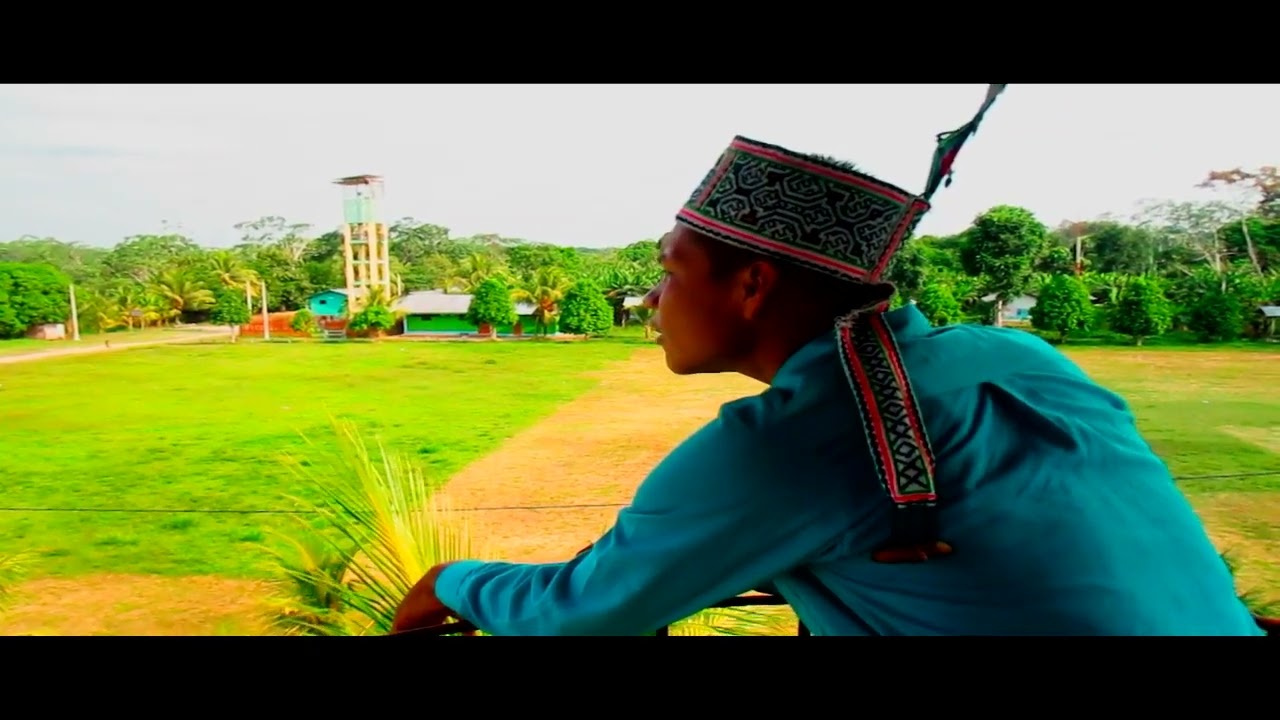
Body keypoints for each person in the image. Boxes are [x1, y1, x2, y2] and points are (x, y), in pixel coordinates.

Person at [391, 85, 1264, 636]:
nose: (651, 300)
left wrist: (453, 582)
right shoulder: (1024, 358)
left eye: (668, 270)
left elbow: (586, 611)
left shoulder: (789, 445)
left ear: (752, 285)